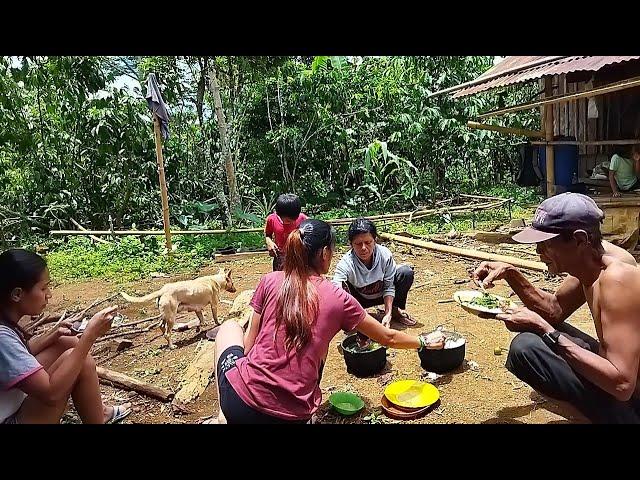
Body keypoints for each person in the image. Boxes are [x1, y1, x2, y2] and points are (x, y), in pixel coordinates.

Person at [208, 219, 443, 424]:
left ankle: (223, 415)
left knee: (229, 328)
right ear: (324, 254)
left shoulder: (269, 280)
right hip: (293, 417)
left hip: (239, 406)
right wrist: (424, 341)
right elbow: (388, 337)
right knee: (319, 346)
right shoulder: (338, 297)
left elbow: (249, 346)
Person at [472, 192, 640, 423]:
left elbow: (622, 385)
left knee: (531, 346)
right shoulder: (591, 259)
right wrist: (510, 273)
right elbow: (554, 310)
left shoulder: (617, 279)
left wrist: (545, 329)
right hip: (621, 380)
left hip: (631, 396)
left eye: (546, 244)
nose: (538, 252)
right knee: (526, 345)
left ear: (580, 240)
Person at [0, 249, 131, 424]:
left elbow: (18, 356)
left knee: (66, 342)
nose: (49, 294)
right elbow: (51, 394)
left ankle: (99, 413)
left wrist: (52, 334)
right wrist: (89, 336)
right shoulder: (2, 338)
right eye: (43, 287)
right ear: (17, 294)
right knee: (78, 358)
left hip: (9, 404)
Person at [332, 218, 416, 328]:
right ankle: (353, 317)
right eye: (358, 244)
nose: (363, 248)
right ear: (351, 244)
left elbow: (389, 286)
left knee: (405, 272)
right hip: (359, 299)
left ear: (375, 240)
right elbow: (336, 286)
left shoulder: (385, 255)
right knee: (341, 289)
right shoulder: (346, 263)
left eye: (368, 242)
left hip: (383, 294)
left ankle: (394, 312)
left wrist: (388, 313)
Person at [264, 193, 308, 271]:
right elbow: (268, 235)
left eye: (294, 220)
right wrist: (269, 242)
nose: (290, 222)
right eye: (287, 220)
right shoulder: (271, 219)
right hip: (280, 257)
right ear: (278, 214)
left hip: (299, 256)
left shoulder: (304, 219)